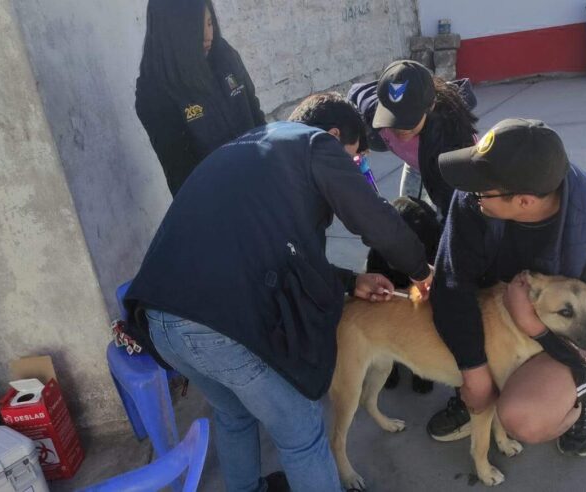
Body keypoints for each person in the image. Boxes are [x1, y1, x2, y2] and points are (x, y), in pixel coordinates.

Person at [123, 92, 433, 492]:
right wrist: (421, 270)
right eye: (354, 158)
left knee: (234, 416)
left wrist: (348, 282)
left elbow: (279, 253)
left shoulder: (254, 147)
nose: (355, 167)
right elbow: (373, 216)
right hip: (216, 329)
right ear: (334, 134)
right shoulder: (316, 144)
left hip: (159, 320)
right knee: (302, 434)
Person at [427, 118, 586, 458]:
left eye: (482, 188)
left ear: (524, 201)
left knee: (523, 417)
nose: (470, 193)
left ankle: (583, 395)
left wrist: (535, 328)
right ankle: (483, 386)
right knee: (468, 358)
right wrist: (474, 373)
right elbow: (451, 284)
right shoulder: (477, 200)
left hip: (569, 332)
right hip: (500, 314)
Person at [135, 0, 265, 196]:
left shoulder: (224, 56)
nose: (208, 35)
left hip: (264, 182)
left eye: (210, 23)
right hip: (219, 206)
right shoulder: (155, 93)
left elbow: (258, 119)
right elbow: (181, 173)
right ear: (173, 28)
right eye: (197, 25)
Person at [348, 60, 478, 219]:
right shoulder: (370, 109)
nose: (400, 129)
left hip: (443, 171)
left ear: (430, 106)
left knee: (442, 220)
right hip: (415, 162)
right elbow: (355, 94)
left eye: (408, 121)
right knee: (406, 217)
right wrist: (358, 141)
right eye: (393, 119)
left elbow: (455, 209)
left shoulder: (450, 144)